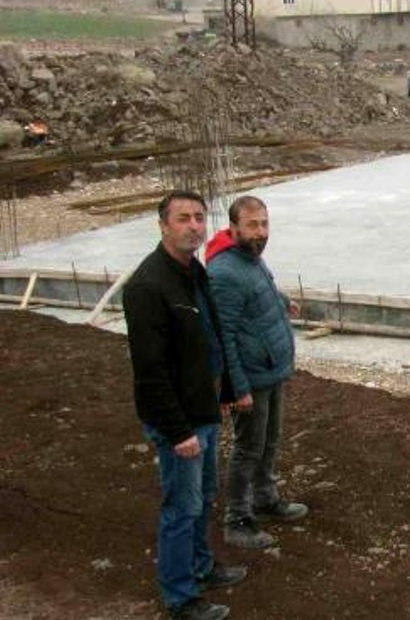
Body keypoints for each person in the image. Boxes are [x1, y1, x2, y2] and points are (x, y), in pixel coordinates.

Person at [123, 190, 246, 620]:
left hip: (205, 410)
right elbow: (150, 372)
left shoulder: (194, 271)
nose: (194, 225)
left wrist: (224, 394)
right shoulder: (147, 286)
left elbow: (210, 341)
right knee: (181, 507)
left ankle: (201, 566)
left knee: (204, 495)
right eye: (183, 218)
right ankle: (180, 597)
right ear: (163, 226)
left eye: (199, 217)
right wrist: (179, 432)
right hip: (182, 422)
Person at [207, 195, 307, 551]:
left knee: (270, 441)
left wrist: (282, 301)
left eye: (264, 224)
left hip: (271, 369)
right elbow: (225, 336)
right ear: (233, 228)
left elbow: (260, 288)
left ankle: (265, 498)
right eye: (252, 225)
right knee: (248, 448)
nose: (260, 231)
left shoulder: (249, 259)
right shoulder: (223, 273)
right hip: (251, 377)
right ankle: (237, 519)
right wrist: (237, 387)